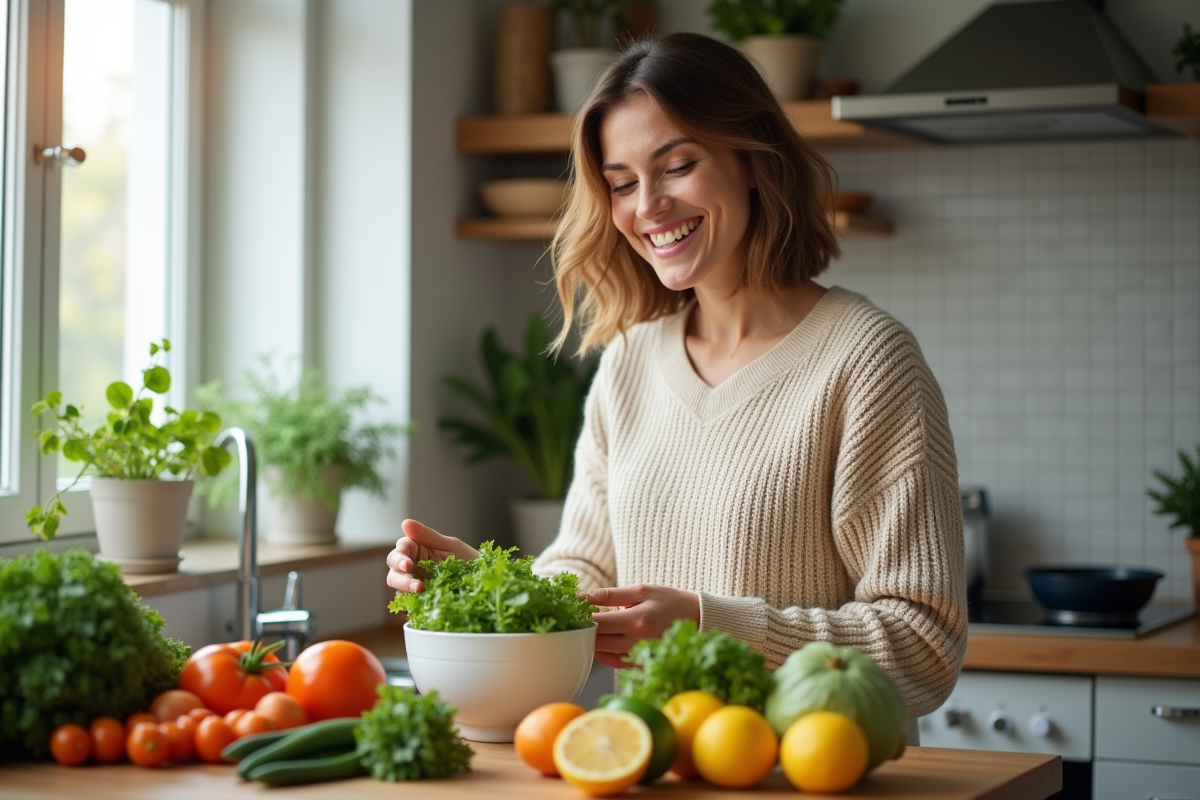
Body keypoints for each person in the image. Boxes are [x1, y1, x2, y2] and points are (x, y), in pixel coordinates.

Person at [387, 32, 966, 733]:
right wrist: (486, 583)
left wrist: (705, 622)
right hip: (657, 767)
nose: (649, 205)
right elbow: (587, 571)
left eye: (678, 165)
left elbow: (925, 648)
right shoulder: (629, 361)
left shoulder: (866, 362)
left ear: (752, 160)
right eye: (623, 183)